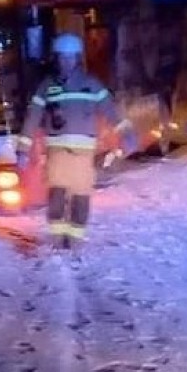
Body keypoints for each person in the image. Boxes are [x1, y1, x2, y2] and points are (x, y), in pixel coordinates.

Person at [17, 32, 136, 251]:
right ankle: (56, 240)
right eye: (62, 57)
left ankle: (75, 241)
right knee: (56, 196)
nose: (66, 62)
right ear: (56, 58)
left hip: (83, 155)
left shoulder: (91, 85)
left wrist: (127, 135)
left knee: (81, 198)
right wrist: (22, 150)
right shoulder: (47, 86)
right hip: (57, 153)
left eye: (70, 57)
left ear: (77, 58)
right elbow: (32, 117)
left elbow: (112, 112)